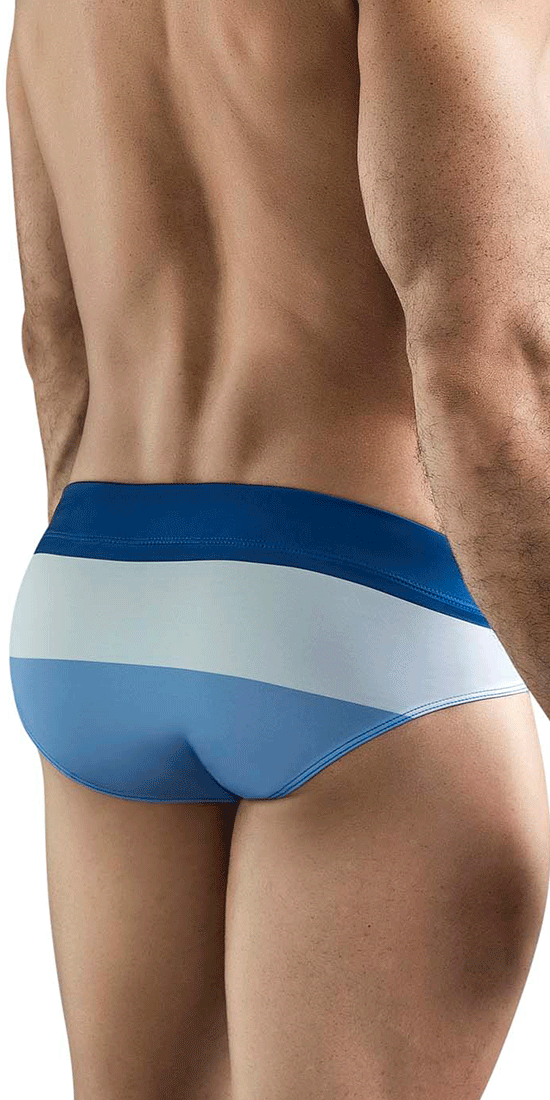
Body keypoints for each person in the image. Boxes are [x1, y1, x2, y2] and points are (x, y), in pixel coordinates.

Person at [6, 1, 550, 1097]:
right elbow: (480, 372)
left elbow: (54, 344)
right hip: (360, 614)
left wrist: (167, 607)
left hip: (93, 594)